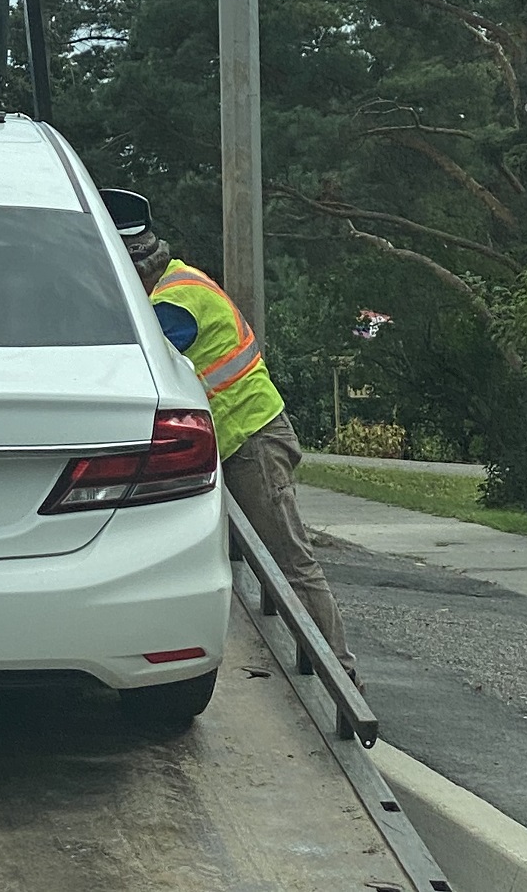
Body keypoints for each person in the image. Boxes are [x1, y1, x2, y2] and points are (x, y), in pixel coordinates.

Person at [121, 223, 362, 689]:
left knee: (288, 560)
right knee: (270, 562)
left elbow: (136, 361)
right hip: (246, 440)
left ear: (136, 272)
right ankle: (320, 669)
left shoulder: (171, 305)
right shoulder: (182, 281)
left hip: (251, 441)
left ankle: (340, 675)